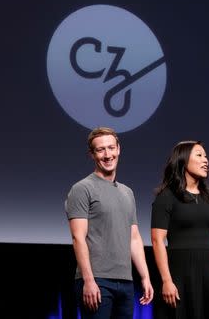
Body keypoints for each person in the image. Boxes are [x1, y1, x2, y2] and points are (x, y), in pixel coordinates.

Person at [65, 127, 154, 319]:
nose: (107, 155)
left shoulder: (127, 192)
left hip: (126, 282)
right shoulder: (82, 189)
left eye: (111, 148)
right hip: (97, 281)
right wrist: (88, 280)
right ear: (92, 154)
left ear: (119, 149)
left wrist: (145, 277)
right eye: (100, 150)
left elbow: (134, 238)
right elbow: (78, 238)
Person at [151, 140, 209, 319]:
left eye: (206, 156)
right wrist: (167, 280)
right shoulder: (166, 197)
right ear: (183, 160)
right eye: (199, 155)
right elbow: (157, 240)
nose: (206, 160)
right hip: (180, 271)